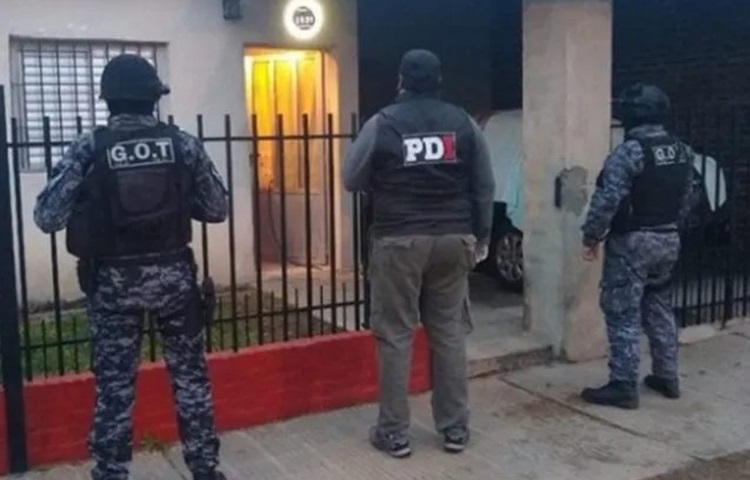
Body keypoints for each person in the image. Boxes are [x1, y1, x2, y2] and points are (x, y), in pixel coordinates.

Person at [33, 54, 228, 480]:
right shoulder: (183, 144)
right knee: (191, 379)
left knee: (115, 388)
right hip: (174, 280)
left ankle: (111, 472)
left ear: (108, 100)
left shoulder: (90, 147)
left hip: (112, 288)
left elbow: (47, 216)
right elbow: (217, 209)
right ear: (154, 99)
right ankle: (205, 469)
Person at [343, 49, 495, 457]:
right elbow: (483, 184)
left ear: (401, 81)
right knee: (449, 333)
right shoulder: (463, 122)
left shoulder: (383, 122)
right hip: (454, 237)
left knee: (395, 335)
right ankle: (455, 428)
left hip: (399, 239)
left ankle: (393, 432)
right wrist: (481, 235)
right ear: (439, 80)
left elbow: (351, 178)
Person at [580, 83, 696, 410]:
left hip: (632, 242)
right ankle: (667, 375)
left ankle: (623, 384)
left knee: (622, 311)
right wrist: (669, 226)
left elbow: (608, 199)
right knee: (658, 306)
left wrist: (591, 235)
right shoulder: (683, 150)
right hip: (668, 238)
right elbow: (687, 197)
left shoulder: (630, 152)